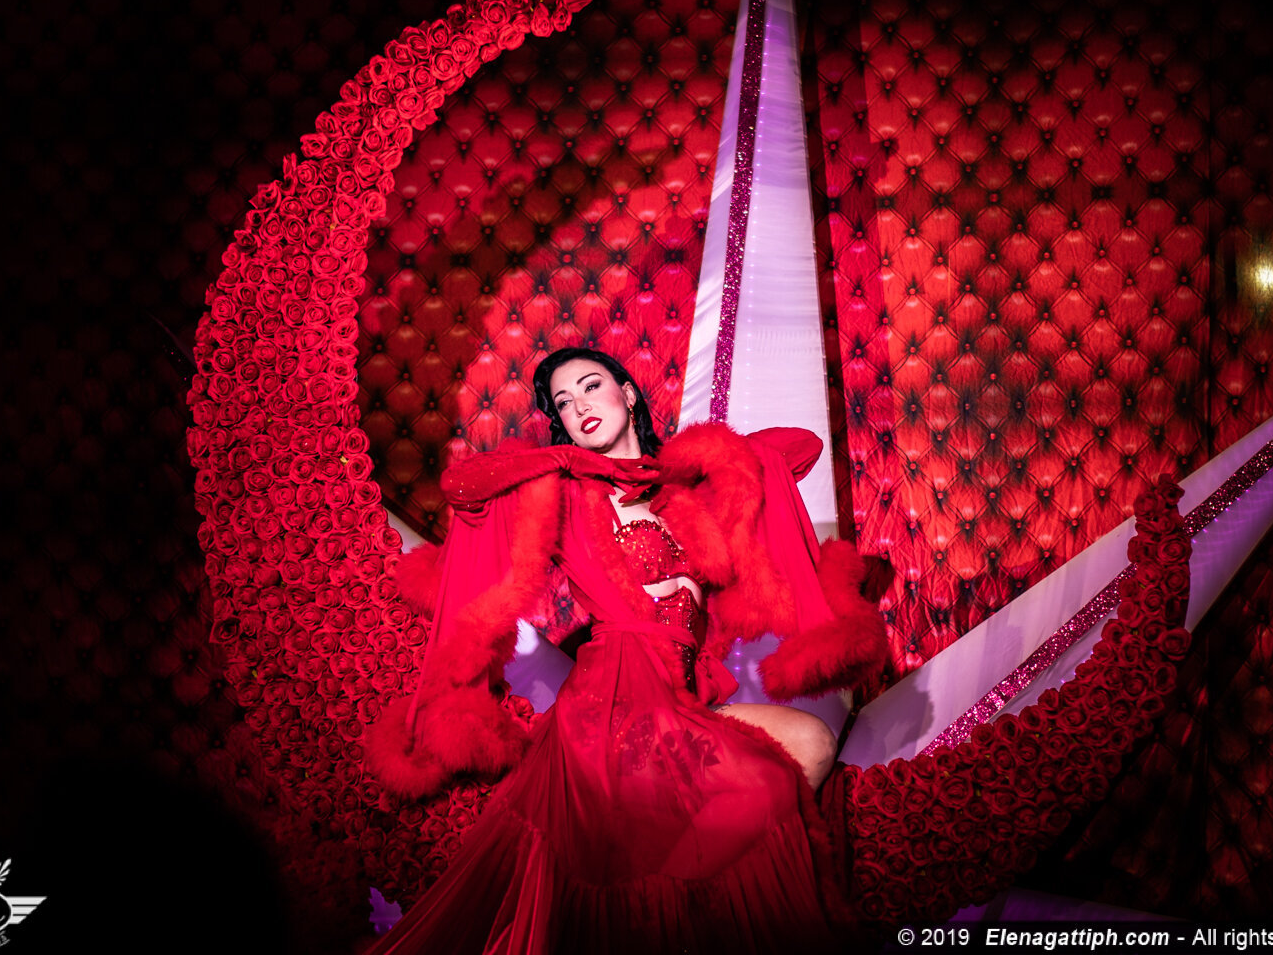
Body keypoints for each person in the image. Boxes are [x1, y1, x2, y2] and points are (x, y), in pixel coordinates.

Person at [362, 347, 891, 954]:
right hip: (615, 697)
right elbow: (463, 486)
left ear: (629, 393)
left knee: (812, 742)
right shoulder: (564, 490)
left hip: (683, 695)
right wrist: (565, 458)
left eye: (592, 386)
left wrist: (682, 464)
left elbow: (800, 447)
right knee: (767, 785)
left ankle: (679, 921)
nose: (580, 405)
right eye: (564, 403)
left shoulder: (682, 491)